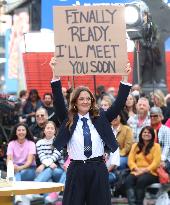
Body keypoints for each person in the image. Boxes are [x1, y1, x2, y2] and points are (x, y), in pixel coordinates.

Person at [49, 56, 132, 205]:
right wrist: (55, 75)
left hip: (98, 168)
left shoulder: (101, 118)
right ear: (75, 102)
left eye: (88, 99)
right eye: (81, 99)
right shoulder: (68, 118)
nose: (85, 101)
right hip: (76, 169)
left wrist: (124, 78)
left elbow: (119, 103)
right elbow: (59, 101)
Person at [125, 126, 161, 205]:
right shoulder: (135, 145)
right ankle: (132, 203)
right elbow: (130, 160)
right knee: (128, 181)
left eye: (149, 132)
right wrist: (136, 168)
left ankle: (139, 203)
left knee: (141, 180)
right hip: (136, 171)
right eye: (144, 132)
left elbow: (156, 162)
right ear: (141, 134)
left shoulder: (156, 146)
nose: (146, 134)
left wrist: (145, 170)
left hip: (151, 173)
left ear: (152, 135)